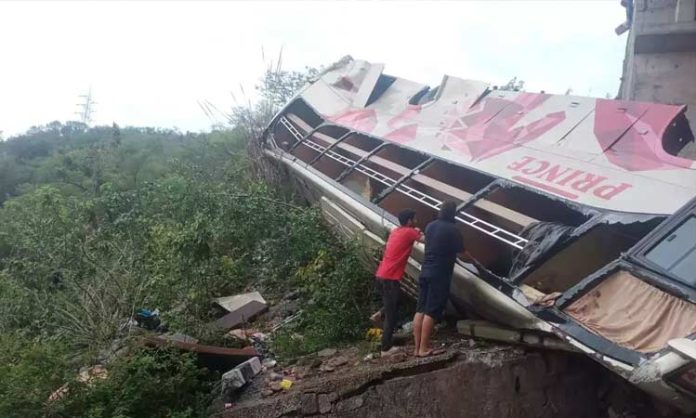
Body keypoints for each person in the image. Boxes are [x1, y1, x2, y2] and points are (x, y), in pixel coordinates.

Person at [413, 201, 466, 357]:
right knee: (432, 311)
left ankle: (417, 349)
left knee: (420, 309)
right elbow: (462, 252)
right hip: (439, 273)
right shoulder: (453, 229)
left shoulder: (430, 226)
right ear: (453, 213)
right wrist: (476, 262)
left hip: (425, 270)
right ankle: (424, 348)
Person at [374, 208, 424, 356]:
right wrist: (419, 231)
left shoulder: (396, 231)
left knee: (398, 301)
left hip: (381, 275)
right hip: (390, 278)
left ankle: (379, 313)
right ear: (409, 221)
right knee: (392, 314)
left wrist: (416, 231)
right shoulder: (410, 232)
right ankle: (385, 349)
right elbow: (425, 240)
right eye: (414, 218)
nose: (416, 221)